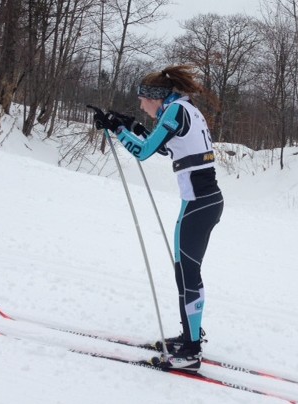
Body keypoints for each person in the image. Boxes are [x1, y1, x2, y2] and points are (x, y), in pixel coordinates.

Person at [92, 65, 223, 373]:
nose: (140, 105)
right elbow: (165, 147)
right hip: (203, 202)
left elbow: (144, 152)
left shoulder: (175, 111)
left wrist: (118, 130)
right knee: (186, 272)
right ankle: (191, 334)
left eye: (142, 100)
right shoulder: (184, 109)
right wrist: (133, 126)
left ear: (156, 97)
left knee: (187, 274)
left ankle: (191, 352)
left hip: (198, 205)